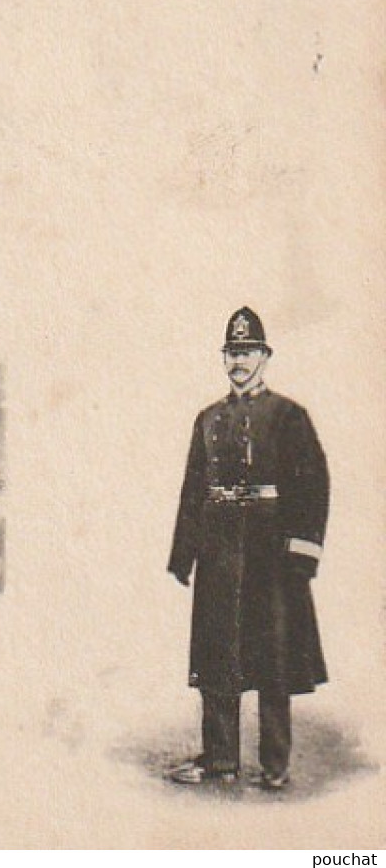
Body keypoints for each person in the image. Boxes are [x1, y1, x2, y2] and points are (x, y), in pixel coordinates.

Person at [165, 307, 329, 791]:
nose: (239, 360)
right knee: (218, 659)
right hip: (218, 557)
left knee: (274, 661)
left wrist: (302, 552)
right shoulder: (207, 419)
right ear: (223, 358)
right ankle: (220, 761)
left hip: (271, 557)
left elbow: (314, 486)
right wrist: (183, 554)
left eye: (248, 351)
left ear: (265, 356)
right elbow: (193, 488)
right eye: (232, 352)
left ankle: (275, 766)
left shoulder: (289, 416)